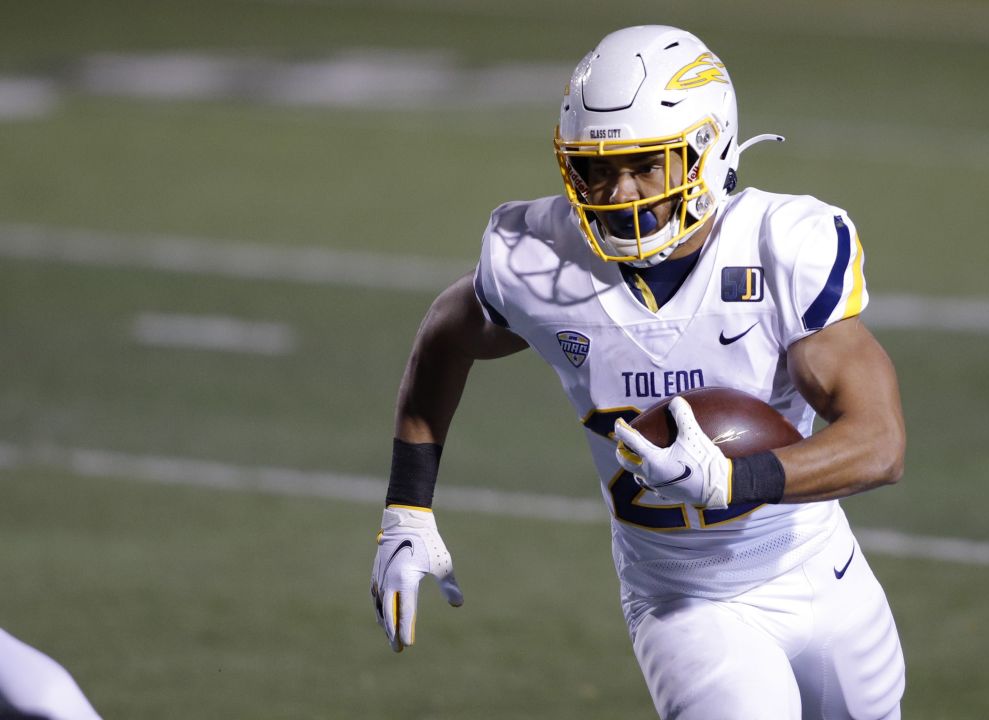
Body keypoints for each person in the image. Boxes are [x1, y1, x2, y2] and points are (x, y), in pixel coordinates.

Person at [370, 25, 907, 720]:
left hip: (819, 569)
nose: (620, 192)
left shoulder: (780, 245)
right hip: (683, 598)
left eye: (647, 164)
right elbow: (443, 338)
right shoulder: (539, 260)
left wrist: (732, 480)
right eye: (599, 167)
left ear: (708, 150)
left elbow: (880, 442)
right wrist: (405, 509)